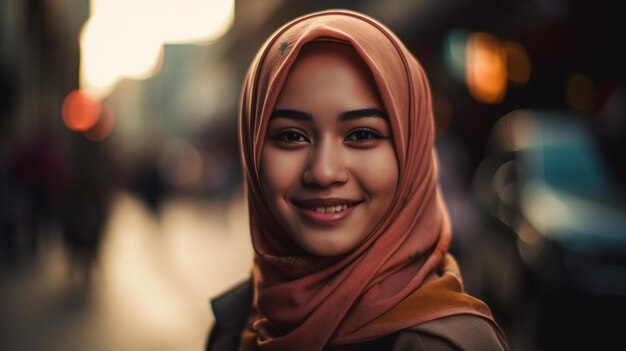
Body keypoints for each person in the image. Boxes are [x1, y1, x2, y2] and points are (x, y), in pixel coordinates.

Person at [206, 9, 509, 351]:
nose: (323, 171)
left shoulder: (443, 345)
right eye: (291, 136)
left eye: (362, 134)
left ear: (412, 155)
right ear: (252, 148)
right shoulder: (238, 322)